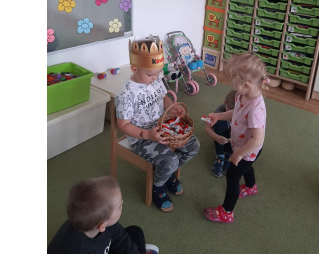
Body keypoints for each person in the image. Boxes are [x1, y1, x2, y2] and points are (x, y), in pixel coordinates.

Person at [115, 35, 200, 212]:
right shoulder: (127, 95)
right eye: (150, 74)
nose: (155, 78)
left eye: (158, 73)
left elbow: (163, 98)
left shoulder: (156, 80)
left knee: (193, 145)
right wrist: (148, 135)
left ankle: (166, 174)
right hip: (141, 138)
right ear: (134, 68)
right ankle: (158, 187)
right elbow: (123, 125)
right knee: (170, 160)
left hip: (163, 127)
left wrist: (171, 108)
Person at [203, 52, 268, 224]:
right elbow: (236, 113)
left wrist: (239, 154)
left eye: (234, 81)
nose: (232, 84)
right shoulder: (242, 95)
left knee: (232, 177)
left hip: (247, 150)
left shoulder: (255, 110)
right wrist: (219, 116)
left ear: (246, 84)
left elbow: (257, 140)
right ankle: (251, 186)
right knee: (246, 168)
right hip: (241, 144)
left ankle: (227, 212)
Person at [47, 176, 160, 254]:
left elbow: (121, 239)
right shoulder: (79, 249)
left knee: (136, 232)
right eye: (119, 206)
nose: (122, 203)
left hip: (103, 246)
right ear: (102, 226)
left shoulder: (97, 220)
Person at [204, 90, 236, 177]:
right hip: (221, 139)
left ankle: (229, 155)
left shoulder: (243, 114)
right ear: (224, 103)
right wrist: (216, 137)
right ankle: (220, 156)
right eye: (229, 113)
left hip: (234, 142)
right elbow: (207, 128)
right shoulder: (219, 110)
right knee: (220, 123)